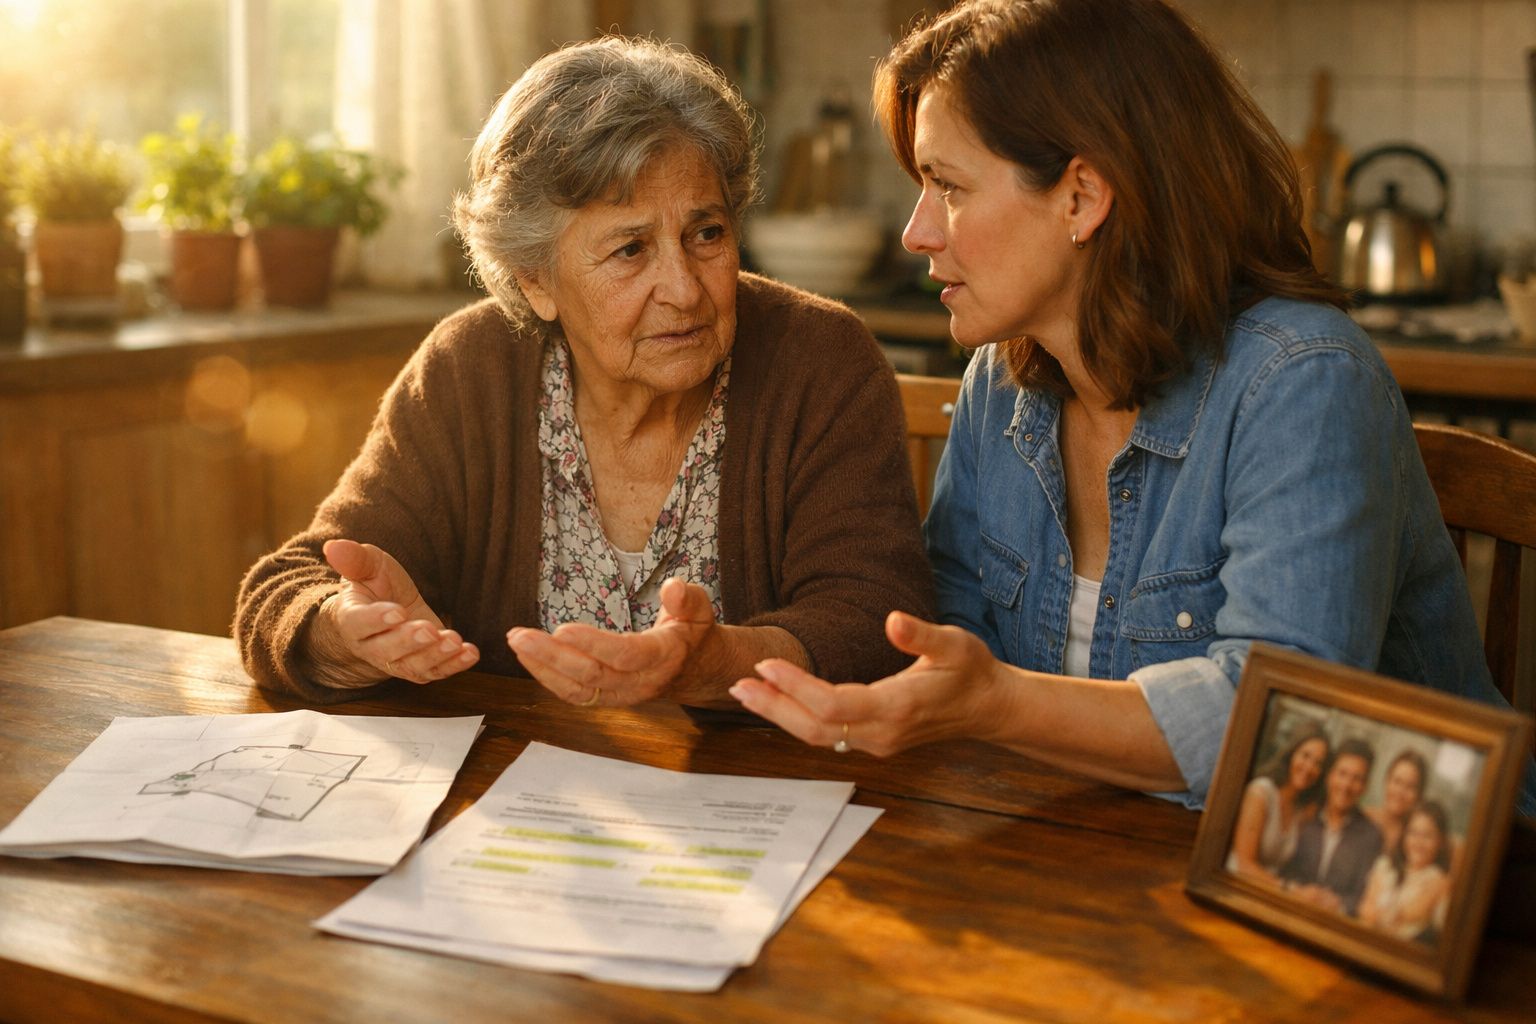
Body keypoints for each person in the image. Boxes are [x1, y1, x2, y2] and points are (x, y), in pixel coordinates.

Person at [728, 0, 1536, 817]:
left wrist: (997, 704)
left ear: (1082, 196)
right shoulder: (999, 384)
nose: (915, 232)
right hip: (1097, 851)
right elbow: (945, 642)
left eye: (948, 186)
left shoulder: (1303, 382)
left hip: (1416, 899)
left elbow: (1282, 729)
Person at [234, 37, 933, 707]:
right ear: (535, 279)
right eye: (630, 250)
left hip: (762, 804)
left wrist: (719, 667)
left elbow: (879, 621)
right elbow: (288, 586)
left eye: (707, 233)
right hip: (518, 803)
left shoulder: (819, 359)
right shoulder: (471, 369)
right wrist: (343, 632)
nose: (685, 289)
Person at [1279, 739, 1384, 917]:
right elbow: (1282, 871)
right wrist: (1298, 891)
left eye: (1357, 779)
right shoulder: (1305, 817)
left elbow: (1363, 896)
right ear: (1330, 776)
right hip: (1289, 911)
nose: (1346, 786)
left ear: (1364, 787)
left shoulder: (1372, 836)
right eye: (1342, 774)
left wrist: (1338, 905)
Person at [1225, 725, 1329, 884]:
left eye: (1318, 763)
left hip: (1267, 891)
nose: (1309, 767)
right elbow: (1243, 864)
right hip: (1235, 885)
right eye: (1305, 756)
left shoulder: (1301, 810)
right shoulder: (1261, 792)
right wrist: (1289, 891)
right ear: (1291, 754)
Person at [1358, 801, 1453, 943]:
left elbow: (1440, 933)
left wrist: (1400, 915)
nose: (1418, 842)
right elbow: (1365, 907)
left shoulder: (1439, 881)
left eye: (1427, 836)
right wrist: (1375, 915)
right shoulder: (1385, 866)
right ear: (1404, 835)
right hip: (1369, 940)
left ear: (1440, 842)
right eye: (1413, 833)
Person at [1362, 749, 1429, 854]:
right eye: (1397, 781)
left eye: (1410, 787)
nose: (1400, 792)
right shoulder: (1362, 818)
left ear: (1419, 795)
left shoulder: (1415, 840)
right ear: (1386, 781)